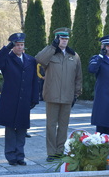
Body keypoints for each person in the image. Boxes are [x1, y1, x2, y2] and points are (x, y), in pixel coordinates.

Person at [36, 27, 82, 162]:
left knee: (63, 125)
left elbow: (78, 76)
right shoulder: (51, 54)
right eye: (62, 39)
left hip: (67, 96)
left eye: (66, 39)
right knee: (51, 125)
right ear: (57, 39)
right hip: (52, 95)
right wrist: (52, 47)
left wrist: (76, 94)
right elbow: (39, 59)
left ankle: (59, 151)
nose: (64, 41)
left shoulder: (74, 56)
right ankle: (51, 152)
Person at [0, 33, 39, 166]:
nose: (19, 47)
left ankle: (20, 155)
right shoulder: (7, 58)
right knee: (10, 129)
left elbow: (34, 81)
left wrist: (34, 98)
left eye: (21, 45)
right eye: (17, 45)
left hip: (24, 100)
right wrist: (6, 48)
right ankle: (10, 156)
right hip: (10, 100)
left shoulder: (30, 60)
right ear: (13, 46)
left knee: (22, 128)